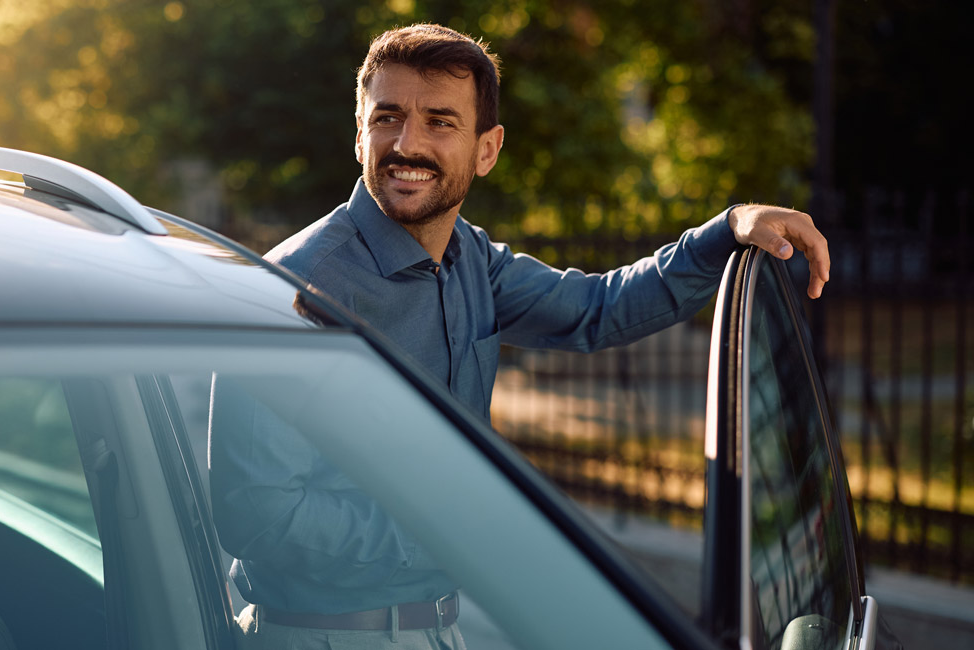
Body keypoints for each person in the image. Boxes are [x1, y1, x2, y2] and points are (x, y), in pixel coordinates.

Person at [210, 23, 830, 650]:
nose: (406, 143)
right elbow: (258, 517)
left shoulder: (469, 258)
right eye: (388, 117)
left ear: (487, 148)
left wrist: (728, 229)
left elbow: (598, 308)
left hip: (439, 630)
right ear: (359, 133)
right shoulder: (293, 292)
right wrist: (445, 532)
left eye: (440, 122)